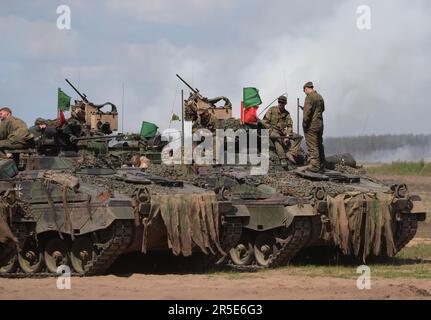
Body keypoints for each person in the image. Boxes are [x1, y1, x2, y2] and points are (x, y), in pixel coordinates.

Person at [262, 95, 301, 165]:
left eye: (282, 102)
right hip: (272, 130)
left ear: (285, 103)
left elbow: (289, 126)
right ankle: (282, 158)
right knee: (278, 138)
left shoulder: (287, 114)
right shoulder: (272, 109)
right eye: (279, 102)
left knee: (298, 137)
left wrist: (287, 135)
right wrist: (270, 130)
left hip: (283, 131)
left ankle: (291, 153)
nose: (280, 103)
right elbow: (264, 122)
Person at [302, 82, 326, 172]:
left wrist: (305, 125)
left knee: (312, 145)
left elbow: (307, 114)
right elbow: (322, 109)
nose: (305, 92)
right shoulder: (320, 96)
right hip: (320, 124)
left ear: (306, 88)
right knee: (319, 144)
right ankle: (322, 165)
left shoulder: (309, 97)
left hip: (311, 125)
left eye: (304, 91)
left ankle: (315, 166)